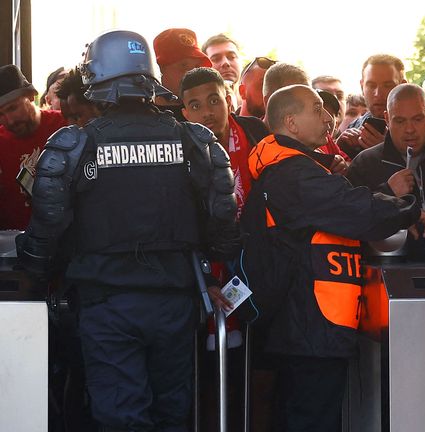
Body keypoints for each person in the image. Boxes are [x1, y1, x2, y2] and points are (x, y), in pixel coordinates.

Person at [16, 30, 238, 431]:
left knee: (120, 416)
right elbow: (223, 221)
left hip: (106, 304)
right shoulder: (195, 141)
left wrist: (31, 275)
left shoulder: (73, 146)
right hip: (175, 301)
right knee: (174, 414)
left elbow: (46, 232)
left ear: (96, 79)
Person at [243, 84, 425, 431]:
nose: (328, 117)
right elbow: (357, 210)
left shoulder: (294, 169)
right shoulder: (295, 172)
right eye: (316, 109)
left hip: (308, 326)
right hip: (311, 327)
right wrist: (409, 207)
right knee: (311, 420)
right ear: (291, 122)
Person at [345, 83, 425, 262]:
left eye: (418, 119)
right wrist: (387, 193)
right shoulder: (365, 163)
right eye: (400, 121)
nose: (409, 129)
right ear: (387, 119)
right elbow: (348, 220)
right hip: (384, 277)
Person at [179, 67, 270, 217]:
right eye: (196, 106)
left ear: (228, 101)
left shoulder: (254, 130)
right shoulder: (183, 151)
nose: (207, 112)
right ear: (186, 114)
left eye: (214, 101)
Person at [0, 64, 66, 230]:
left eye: (13, 108)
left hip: (66, 241)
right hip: (14, 245)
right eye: (0, 115)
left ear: (30, 96)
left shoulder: (64, 125)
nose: (9, 120)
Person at [336, 54, 406, 158]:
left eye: (387, 86)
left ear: (402, 86)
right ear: (362, 86)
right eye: (371, 85)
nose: (378, 94)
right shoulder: (355, 126)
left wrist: (387, 151)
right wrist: (338, 148)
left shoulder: (419, 127)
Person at [153, 28, 213, 121]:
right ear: (160, 69)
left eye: (197, 66)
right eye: (184, 66)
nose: (193, 74)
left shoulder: (208, 114)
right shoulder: (140, 115)